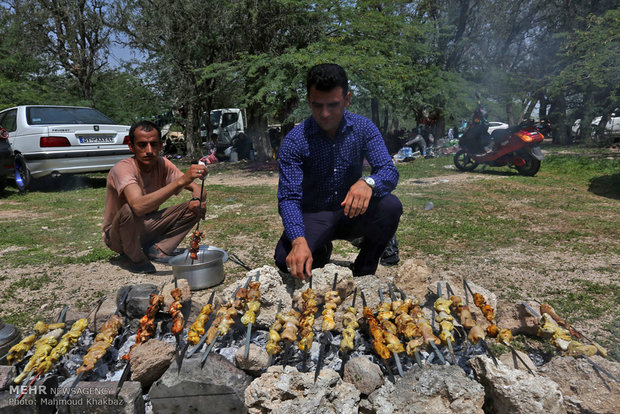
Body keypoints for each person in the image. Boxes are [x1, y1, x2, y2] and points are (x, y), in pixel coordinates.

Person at [274, 63, 402, 279]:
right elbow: (288, 198)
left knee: (391, 206)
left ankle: (364, 270)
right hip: (315, 214)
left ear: (347, 99)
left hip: (353, 211)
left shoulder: (363, 128)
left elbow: (388, 170)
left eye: (333, 105)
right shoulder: (295, 141)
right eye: (317, 105)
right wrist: (298, 241)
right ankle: (320, 249)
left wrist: (368, 183)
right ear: (308, 100)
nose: (325, 114)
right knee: (284, 259)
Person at [103, 120, 208, 274]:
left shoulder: (162, 163)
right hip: (119, 235)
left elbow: (198, 189)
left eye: (154, 144)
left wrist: (197, 201)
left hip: (146, 227)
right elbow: (138, 206)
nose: (149, 150)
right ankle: (135, 258)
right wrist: (180, 182)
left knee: (192, 207)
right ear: (131, 147)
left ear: (161, 145)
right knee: (130, 210)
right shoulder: (123, 168)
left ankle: (157, 250)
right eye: (142, 145)